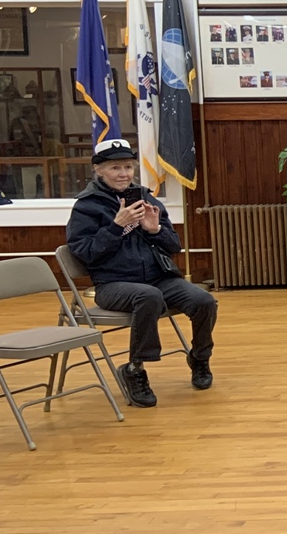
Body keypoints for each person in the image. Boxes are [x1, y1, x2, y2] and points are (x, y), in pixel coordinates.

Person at [65, 139, 217, 408]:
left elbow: (174, 246)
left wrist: (155, 230)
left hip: (158, 277)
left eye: (128, 167)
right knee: (149, 297)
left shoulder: (146, 197)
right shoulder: (86, 207)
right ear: (98, 170)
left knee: (203, 300)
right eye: (115, 168)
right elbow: (84, 253)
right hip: (113, 284)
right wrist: (115, 227)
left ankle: (200, 357)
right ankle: (135, 369)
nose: (124, 173)